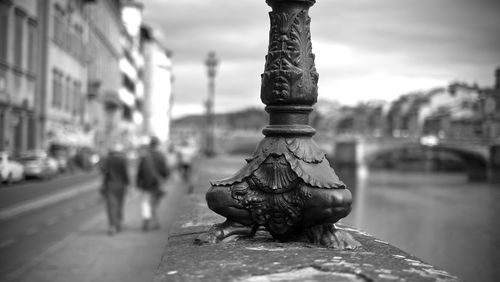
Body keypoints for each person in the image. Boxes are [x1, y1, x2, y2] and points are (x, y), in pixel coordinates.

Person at [136, 136, 169, 231]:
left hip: (146, 185)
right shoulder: (161, 156)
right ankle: (155, 221)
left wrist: (138, 183)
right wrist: (164, 180)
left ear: (150, 145)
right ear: (157, 144)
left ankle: (147, 218)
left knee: (145, 202)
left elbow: (140, 171)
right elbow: (166, 171)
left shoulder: (145, 156)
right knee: (155, 204)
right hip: (158, 185)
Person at [100, 143, 129, 235]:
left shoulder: (107, 160)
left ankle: (112, 226)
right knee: (120, 205)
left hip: (110, 185)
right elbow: (125, 174)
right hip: (121, 185)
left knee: (112, 206)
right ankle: (119, 224)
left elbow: (103, 171)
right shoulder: (122, 160)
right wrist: (128, 184)